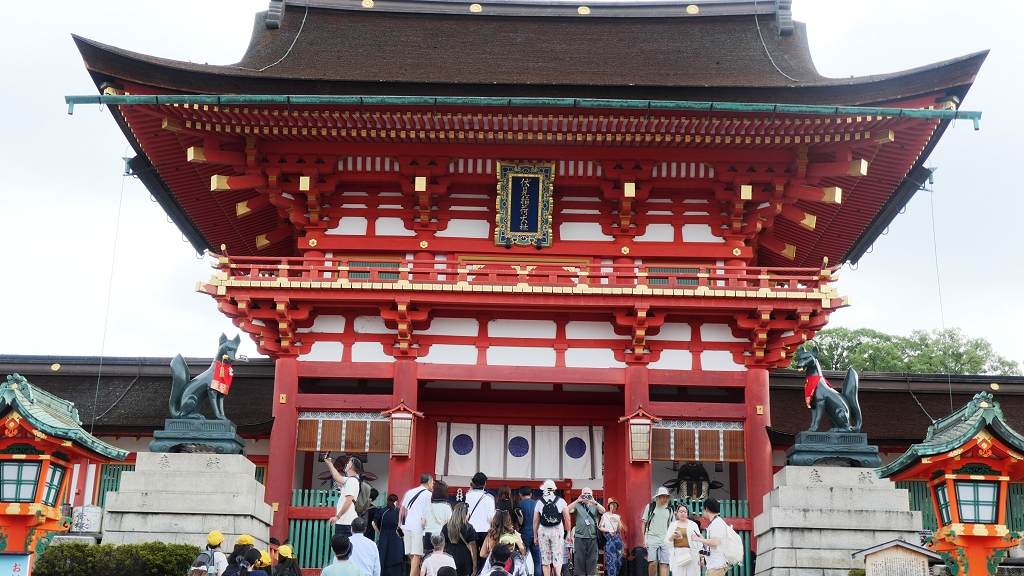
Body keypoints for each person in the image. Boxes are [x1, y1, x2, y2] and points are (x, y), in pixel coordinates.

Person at [532, 480, 570, 576]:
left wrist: (535, 536)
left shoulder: (539, 502)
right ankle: (558, 574)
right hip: (557, 531)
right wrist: (569, 533)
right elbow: (567, 518)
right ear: (554, 489)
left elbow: (535, 520)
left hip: (543, 531)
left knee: (545, 558)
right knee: (558, 555)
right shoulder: (561, 501)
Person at [566, 487, 605, 576]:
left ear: (592, 495)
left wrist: (594, 502)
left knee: (592, 559)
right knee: (579, 559)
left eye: (589, 494)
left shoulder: (595, 506)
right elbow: (567, 509)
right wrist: (577, 500)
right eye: (585, 494)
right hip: (580, 537)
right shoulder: (578, 506)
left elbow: (603, 511)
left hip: (592, 537)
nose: (586, 496)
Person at [401, 474, 435, 576]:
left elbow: (402, 509)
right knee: (417, 554)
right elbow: (429, 512)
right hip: (418, 527)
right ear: (428, 482)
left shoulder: (409, 492)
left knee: (412, 555)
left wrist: (400, 524)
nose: (432, 484)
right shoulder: (429, 495)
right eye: (432, 482)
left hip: (407, 526)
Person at [479, 510, 527, 576]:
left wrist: (495, 556)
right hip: (510, 564)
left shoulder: (490, 535)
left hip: (493, 565)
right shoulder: (513, 533)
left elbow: (482, 554)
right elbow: (522, 548)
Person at [641, 487, 674, 576]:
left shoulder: (670, 509)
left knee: (665, 563)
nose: (665, 499)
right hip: (652, 538)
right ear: (657, 497)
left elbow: (672, 525)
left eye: (667, 497)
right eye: (663, 496)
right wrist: (644, 539)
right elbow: (644, 523)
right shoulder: (650, 507)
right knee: (653, 563)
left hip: (665, 539)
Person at [328, 455, 364, 536]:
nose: (346, 465)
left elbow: (349, 501)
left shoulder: (351, 481)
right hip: (346, 521)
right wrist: (329, 463)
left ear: (351, 466)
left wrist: (337, 517)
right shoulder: (351, 480)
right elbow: (337, 477)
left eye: (348, 463)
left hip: (345, 522)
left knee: (342, 543)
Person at [691, 499, 728, 576]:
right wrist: (702, 539)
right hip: (713, 565)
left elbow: (714, 542)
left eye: (703, 509)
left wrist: (698, 539)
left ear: (707, 509)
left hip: (717, 565)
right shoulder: (715, 522)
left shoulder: (717, 523)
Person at [441, 501, 479, 576]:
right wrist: (475, 565)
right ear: (465, 514)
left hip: (449, 554)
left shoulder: (447, 526)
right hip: (464, 556)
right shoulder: (468, 527)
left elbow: (442, 542)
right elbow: (473, 546)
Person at [663, 505, 700, 576]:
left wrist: (700, 556)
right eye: (681, 511)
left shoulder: (693, 525)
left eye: (685, 512)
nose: (683, 513)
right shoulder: (673, 525)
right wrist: (672, 537)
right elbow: (667, 541)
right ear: (677, 513)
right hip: (678, 553)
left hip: (691, 553)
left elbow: (699, 540)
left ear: (687, 514)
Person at [375, 493, 405, 576]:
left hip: (384, 535)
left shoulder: (382, 511)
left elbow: (373, 522)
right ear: (396, 502)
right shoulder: (399, 511)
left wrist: (378, 532)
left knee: (383, 556)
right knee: (396, 556)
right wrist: (403, 537)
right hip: (396, 536)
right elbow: (402, 526)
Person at [466, 472, 495, 549]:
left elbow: (466, 515)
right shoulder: (489, 498)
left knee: (471, 554)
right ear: (485, 483)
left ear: (473, 483)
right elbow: (491, 518)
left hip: (470, 530)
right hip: (485, 530)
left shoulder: (467, 496)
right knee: (484, 554)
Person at [422, 481, 453, 551]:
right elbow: (449, 523)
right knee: (440, 555)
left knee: (428, 555)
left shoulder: (428, 506)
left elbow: (423, 523)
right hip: (441, 535)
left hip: (428, 535)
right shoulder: (447, 507)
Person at [516, 486, 540, 576]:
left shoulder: (519, 505)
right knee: (537, 561)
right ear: (531, 494)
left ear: (520, 495)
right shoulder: (537, 504)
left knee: (521, 560)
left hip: (523, 535)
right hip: (536, 536)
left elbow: (517, 522)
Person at [598, 499, 625, 576]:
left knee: (620, 557)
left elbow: (620, 528)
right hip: (609, 537)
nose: (612, 506)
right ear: (609, 506)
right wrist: (608, 531)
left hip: (617, 536)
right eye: (611, 505)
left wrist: (618, 521)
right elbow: (600, 527)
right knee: (611, 558)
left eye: (614, 505)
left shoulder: (617, 516)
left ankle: (616, 572)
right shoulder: (605, 515)